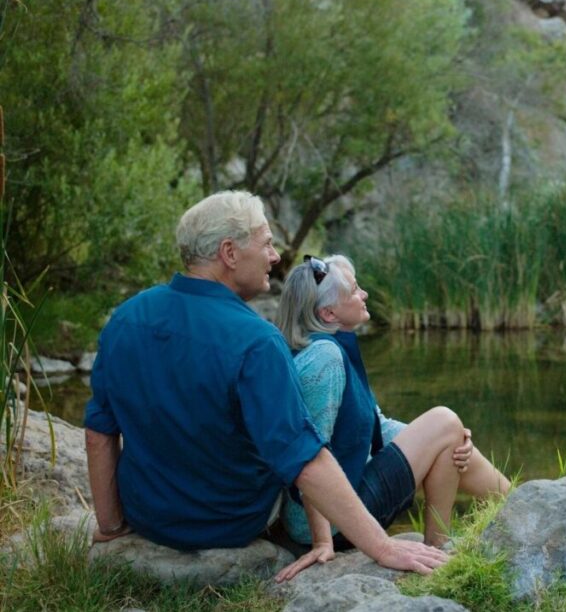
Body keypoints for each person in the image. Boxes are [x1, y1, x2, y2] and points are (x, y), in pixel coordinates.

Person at [84, 191, 446, 576]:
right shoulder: (257, 340)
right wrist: (383, 547)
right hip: (231, 523)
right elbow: (305, 459)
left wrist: (111, 526)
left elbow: (99, 433)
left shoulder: (126, 317)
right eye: (267, 243)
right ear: (230, 253)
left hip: (149, 518)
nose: (275, 256)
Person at [273, 253, 511, 580]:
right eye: (355, 290)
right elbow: (310, 455)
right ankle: (439, 552)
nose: (364, 294)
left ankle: (517, 503)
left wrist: (443, 439)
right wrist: (322, 540)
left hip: (346, 496)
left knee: (450, 435)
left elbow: (376, 426)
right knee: (444, 421)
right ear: (328, 312)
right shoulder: (323, 360)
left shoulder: (332, 344)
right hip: (338, 516)